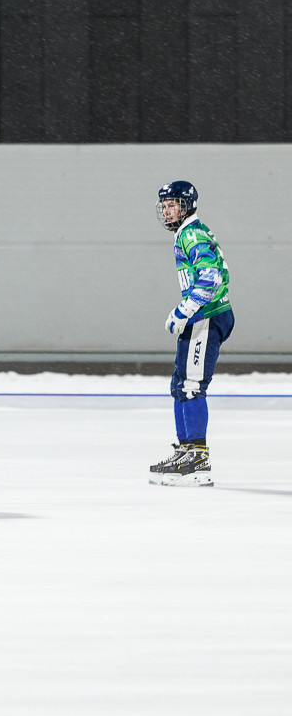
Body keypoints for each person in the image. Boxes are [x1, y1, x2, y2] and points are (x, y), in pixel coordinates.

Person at [149, 180, 234, 487]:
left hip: (207, 317)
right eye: (164, 206)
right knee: (179, 384)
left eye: (173, 204)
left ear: (187, 206)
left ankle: (197, 456)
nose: (167, 210)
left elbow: (210, 277)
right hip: (200, 317)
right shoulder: (185, 234)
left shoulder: (192, 233)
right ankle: (186, 449)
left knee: (191, 385)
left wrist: (186, 309)